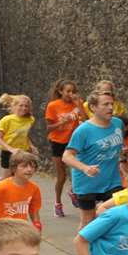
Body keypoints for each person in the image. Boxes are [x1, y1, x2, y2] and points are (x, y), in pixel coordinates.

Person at [61, 92, 125, 229]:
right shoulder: (83, 130)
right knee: (88, 221)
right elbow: (67, 156)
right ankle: (83, 248)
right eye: (105, 104)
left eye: (111, 104)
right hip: (87, 183)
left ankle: (105, 248)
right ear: (93, 107)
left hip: (112, 181)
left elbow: (117, 148)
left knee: (116, 217)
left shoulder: (118, 123)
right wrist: (85, 168)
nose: (110, 108)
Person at [44, 81, 85, 218]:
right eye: (68, 91)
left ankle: (73, 191)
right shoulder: (53, 106)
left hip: (73, 142)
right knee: (62, 175)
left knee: (78, 170)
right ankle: (57, 202)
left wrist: (80, 106)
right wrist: (62, 122)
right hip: (58, 142)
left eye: (73, 91)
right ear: (61, 91)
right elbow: (49, 128)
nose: (71, 94)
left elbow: (86, 121)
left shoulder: (78, 104)